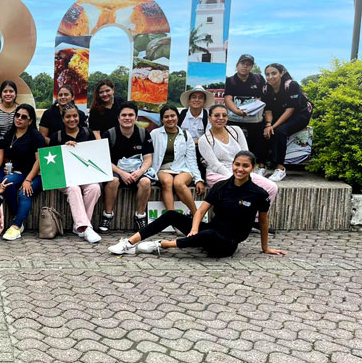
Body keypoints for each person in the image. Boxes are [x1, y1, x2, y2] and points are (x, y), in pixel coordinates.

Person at [108, 151, 287, 258]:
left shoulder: (259, 194)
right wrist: (194, 230)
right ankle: (129, 244)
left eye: (245, 166)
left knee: (209, 234)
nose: (240, 169)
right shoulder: (221, 186)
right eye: (237, 164)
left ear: (252, 168)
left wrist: (265, 248)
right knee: (172, 215)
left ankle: (162, 244)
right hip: (208, 231)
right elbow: (201, 211)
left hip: (227, 243)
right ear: (232, 165)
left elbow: (263, 222)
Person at [198, 104, 278, 204]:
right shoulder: (204, 140)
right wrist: (236, 178)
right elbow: (215, 165)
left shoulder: (236, 130)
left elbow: (246, 155)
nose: (221, 118)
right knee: (239, 190)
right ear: (210, 118)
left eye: (224, 115)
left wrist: (244, 174)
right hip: (219, 174)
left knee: (271, 187)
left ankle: (256, 217)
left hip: (242, 170)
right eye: (216, 115)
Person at [49, 104, 102, 243]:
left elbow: (94, 154)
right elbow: (51, 163)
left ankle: (80, 226)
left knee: (95, 188)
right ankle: (85, 228)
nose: (72, 119)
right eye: (68, 116)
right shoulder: (57, 136)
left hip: (85, 175)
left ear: (79, 117)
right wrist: (64, 149)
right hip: (64, 177)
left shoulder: (87, 132)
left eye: (75, 116)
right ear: (63, 118)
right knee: (73, 188)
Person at [99, 102, 154, 232]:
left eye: (131, 115)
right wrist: (121, 173)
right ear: (118, 118)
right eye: (124, 115)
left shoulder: (143, 134)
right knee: (113, 180)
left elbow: (148, 158)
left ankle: (140, 216)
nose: (127, 118)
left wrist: (140, 171)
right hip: (116, 171)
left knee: (146, 182)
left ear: (136, 118)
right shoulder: (109, 134)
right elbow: (104, 159)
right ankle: (107, 215)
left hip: (137, 171)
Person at [0, 104, 45, 241]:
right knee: (7, 183)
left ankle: (16, 226)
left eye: (24, 117)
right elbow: (8, 156)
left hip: (37, 174)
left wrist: (28, 180)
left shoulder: (35, 136)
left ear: (30, 121)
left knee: (24, 193)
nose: (19, 119)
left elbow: (39, 161)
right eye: (17, 115)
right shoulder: (9, 134)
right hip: (19, 172)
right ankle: (19, 216)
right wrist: (8, 168)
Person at [262, 63, 313, 182]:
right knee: (262, 129)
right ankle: (261, 166)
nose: (270, 77)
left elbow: (290, 110)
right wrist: (268, 125)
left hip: (300, 114)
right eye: (267, 74)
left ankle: (280, 168)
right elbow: (268, 109)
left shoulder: (291, 85)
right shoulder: (266, 88)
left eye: (273, 73)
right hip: (282, 113)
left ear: (281, 73)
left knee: (280, 131)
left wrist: (273, 126)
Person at [150, 105, 205, 214]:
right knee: (167, 181)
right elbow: (149, 156)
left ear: (177, 117)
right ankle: (173, 218)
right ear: (162, 119)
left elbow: (191, 159)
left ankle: (196, 215)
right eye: (166, 117)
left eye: (172, 116)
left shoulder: (185, 135)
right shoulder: (154, 134)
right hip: (162, 169)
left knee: (179, 183)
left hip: (183, 168)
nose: (170, 119)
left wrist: (198, 179)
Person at [224, 54, 267, 174]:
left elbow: (261, 96)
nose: (245, 67)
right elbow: (228, 98)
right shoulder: (230, 80)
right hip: (235, 115)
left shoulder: (258, 79)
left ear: (251, 67)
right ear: (237, 65)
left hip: (254, 116)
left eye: (248, 65)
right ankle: (232, 163)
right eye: (243, 64)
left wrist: (254, 106)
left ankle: (261, 166)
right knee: (231, 137)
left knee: (260, 135)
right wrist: (236, 111)